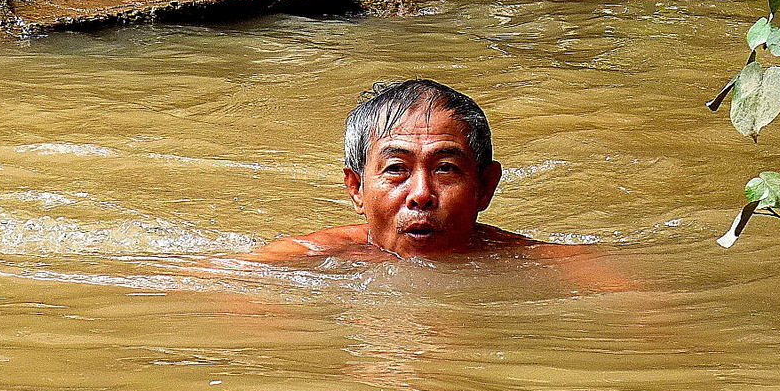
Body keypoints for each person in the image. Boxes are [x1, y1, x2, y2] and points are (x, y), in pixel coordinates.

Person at [235, 79, 623, 273]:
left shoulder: (534, 262)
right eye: (395, 169)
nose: (421, 194)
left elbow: (640, 304)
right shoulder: (302, 258)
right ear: (356, 189)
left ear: (485, 187)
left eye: (446, 169)